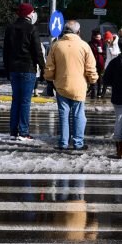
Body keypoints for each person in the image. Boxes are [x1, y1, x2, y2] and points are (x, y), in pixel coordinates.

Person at [44, 20, 99, 150]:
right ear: (78, 32)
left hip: (61, 85)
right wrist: (93, 81)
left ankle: (63, 143)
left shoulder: (56, 46)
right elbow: (90, 68)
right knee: (78, 114)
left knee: (63, 115)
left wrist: (49, 80)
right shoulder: (84, 46)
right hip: (79, 86)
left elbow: (49, 67)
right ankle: (78, 143)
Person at [4, 3, 46, 140]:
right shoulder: (32, 29)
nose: (33, 14)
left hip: (14, 69)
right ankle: (23, 131)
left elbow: (6, 51)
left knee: (16, 100)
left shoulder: (10, 28)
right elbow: (37, 51)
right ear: (29, 13)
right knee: (25, 101)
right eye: (32, 12)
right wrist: (43, 68)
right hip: (28, 69)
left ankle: (13, 130)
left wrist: (7, 69)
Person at [88, 29, 105, 98]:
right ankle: (93, 92)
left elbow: (105, 52)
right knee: (93, 76)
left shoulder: (103, 43)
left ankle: (99, 92)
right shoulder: (90, 43)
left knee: (99, 77)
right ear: (94, 37)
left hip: (100, 62)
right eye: (97, 37)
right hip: (93, 62)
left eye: (100, 37)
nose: (99, 38)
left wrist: (102, 52)